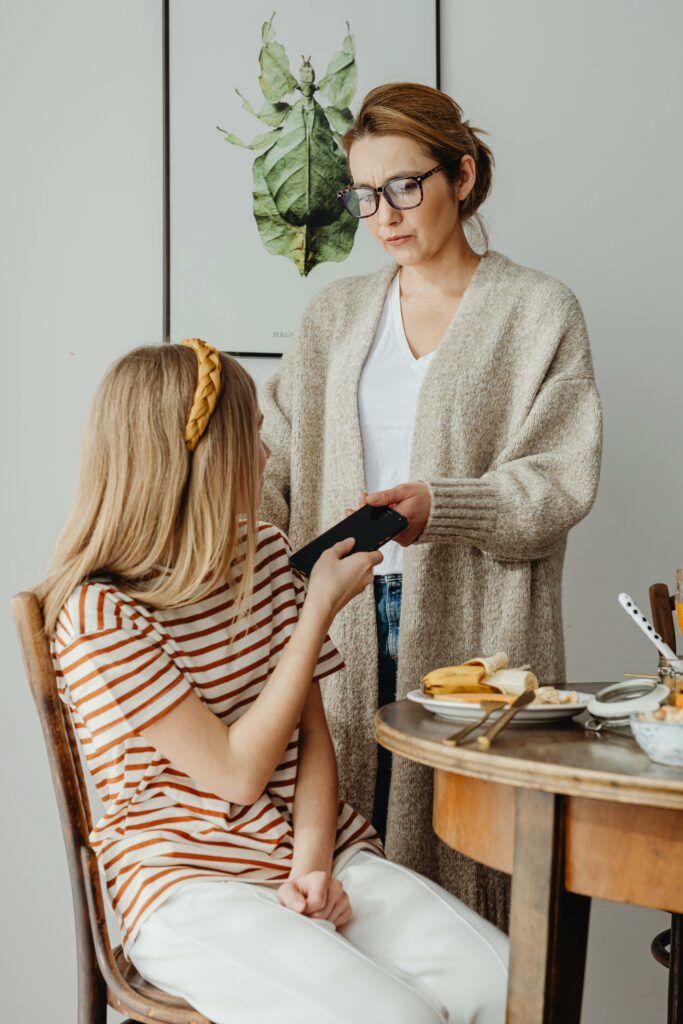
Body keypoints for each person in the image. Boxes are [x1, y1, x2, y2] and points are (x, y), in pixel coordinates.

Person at [39, 340, 508, 1024]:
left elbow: (312, 737)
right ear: (200, 459)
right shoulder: (100, 614)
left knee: (510, 984)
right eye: (250, 435)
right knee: (397, 1017)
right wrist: (317, 610)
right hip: (186, 881)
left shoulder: (263, 553)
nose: (265, 455)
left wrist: (312, 866)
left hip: (312, 848)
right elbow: (237, 774)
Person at [260, 82, 603, 929]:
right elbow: (272, 467)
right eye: (364, 195)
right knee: (346, 867)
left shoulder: (537, 311)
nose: (383, 215)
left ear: (463, 175)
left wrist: (439, 506)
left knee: (471, 876)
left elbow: (559, 480)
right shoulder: (334, 316)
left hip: (479, 630)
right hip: (336, 621)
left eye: (405, 186)